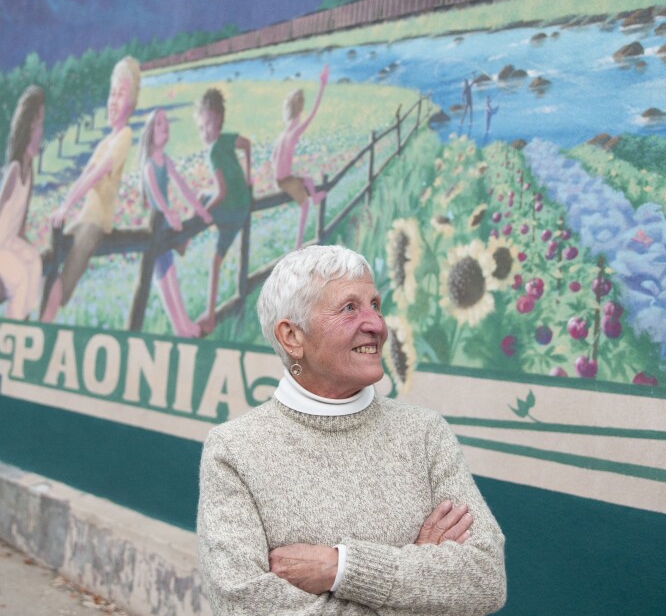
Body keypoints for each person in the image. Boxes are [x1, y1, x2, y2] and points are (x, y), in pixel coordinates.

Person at [197, 245, 506, 615]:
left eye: (375, 304)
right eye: (349, 308)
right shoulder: (234, 451)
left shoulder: (424, 433)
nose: (377, 324)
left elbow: (486, 580)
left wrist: (341, 568)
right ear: (292, 337)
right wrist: (417, 578)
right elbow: (242, 605)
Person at [42, 56, 139, 322]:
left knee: (69, 268)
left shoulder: (124, 137)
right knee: (51, 255)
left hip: (96, 224)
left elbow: (96, 176)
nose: (113, 101)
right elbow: (82, 178)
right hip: (83, 218)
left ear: (130, 102)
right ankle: (42, 313)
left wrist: (66, 206)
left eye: (120, 95)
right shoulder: (103, 142)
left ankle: (45, 321)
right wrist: (65, 206)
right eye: (112, 94)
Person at [138, 108, 213, 337]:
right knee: (165, 276)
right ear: (151, 132)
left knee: (170, 272)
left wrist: (200, 209)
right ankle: (180, 327)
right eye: (160, 124)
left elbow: (182, 187)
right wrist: (170, 214)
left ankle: (184, 325)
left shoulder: (166, 161)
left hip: (164, 226)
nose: (165, 127)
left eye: (166, 123)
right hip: (157, 226)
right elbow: (157, 198)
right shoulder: (150, 165)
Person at [194, 88, 252, 335]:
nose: (203, 132)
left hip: (229, 210)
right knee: (215, 261)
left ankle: (185, 239)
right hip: (242, 210)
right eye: (200, 127)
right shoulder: (228, 139)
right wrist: (249, 178)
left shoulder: (214, 152)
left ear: (217, 120)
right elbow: (247, 145)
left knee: (200, 200)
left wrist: (202, 214)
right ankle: (209, 315)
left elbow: (221, 192)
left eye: (207, 125)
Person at [0, 86, 44, 319]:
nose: (42, 131)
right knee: (21, 277)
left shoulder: (29, 171)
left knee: (36, 263)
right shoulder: (13, 171)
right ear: (29, 128)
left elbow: (20, 226)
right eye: (39, 124)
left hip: (12, 242)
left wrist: (29, 248)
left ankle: (25, 320)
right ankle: (13, 327)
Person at [272, 65, 329, 249]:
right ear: (299, 112)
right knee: (304, 206)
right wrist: (322, 85)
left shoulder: (283, 134)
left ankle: (315, 196)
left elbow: (273, 157)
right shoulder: (294, 132)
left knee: (307, 180)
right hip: (285, 179)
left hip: (281, 177)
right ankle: (298, 245)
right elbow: (313, 113)